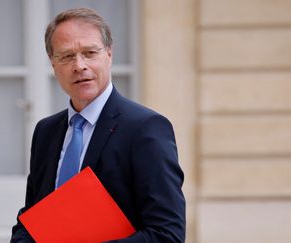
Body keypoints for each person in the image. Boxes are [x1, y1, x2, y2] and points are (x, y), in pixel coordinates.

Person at [11, 7, 186, 243]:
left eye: (90, 52)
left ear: (109, 54)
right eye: (66, 56)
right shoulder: (46, 132)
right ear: (53, 64)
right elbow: (30, 219)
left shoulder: (146, 129)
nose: (79, 65)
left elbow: (167, 235)